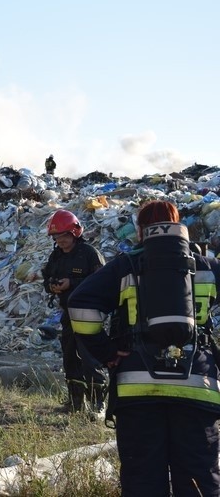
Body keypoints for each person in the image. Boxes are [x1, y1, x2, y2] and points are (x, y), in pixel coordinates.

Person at [68, 200, 220, 496]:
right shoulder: (208, 267)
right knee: (199, 479)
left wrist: (107, 352)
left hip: (137, 390)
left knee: (143, 481)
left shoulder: (125, 266)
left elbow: (80, 306)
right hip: (199, 387)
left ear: (141, 231)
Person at [42, 209, 106, 414]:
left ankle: (98, 404)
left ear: (74, 232)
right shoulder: (57, 256)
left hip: (89, 313)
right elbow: (47, 277)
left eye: (62, 235)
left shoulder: (89, 254)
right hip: (68, 313)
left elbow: (101, 282)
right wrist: (52, 285)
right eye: (55, 236)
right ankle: (75, 402)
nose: (59, 240)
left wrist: (72, 283)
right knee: (69, 354)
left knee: (90, 356)